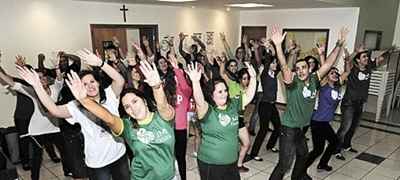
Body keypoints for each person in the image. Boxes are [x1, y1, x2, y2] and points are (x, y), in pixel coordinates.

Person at [16, 49, 130, 180]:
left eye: (92, 82)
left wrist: (100, 63)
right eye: (84, 84)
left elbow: (120, 80)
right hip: (98, 162)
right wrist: (37, 85)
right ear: (78, 88)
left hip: (119, 155)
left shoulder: (109, 95)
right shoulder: (76, 106)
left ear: (98, 83)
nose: (90, 86)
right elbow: (54, 110)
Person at [66, 60, 176, 180]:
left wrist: (157, 87)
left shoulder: (162, 117)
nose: (133, 108)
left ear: (144, 101)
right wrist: (84, 100)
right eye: (127, 107)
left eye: (135, 101)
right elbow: (109, 118)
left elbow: (163, 106)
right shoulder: (127, 126)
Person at [268, 26, 347, 180]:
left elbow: (328, 63)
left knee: (303, 155)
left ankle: (297, 177)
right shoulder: (292, 83)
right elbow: (284, 66)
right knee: (284, 164)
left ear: (309, 69)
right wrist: (278, 46)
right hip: (289, 128)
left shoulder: (314, 80)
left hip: (300, 128)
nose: (300, 71)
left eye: (303, 67)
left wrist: (339, 44)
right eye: (297, 69)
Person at [187, 61, 256, 180]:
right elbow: (199, 100)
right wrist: (195, 82)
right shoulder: (207, 110)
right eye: (219, 91)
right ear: (211, 94)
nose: (224, 94)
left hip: (231, 162)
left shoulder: (233, 105)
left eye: (225, 90)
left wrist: (253, 78)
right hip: (211, 164)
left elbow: (248, 96)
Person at [0, 56, 66, 180]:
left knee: (65, 152)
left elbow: (59, 80)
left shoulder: (54, 89)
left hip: (54, 128)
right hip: (37, 131)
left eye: (44, 77)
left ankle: (68, 171)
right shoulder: (32, 91)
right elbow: (12, 83)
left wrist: (57, 67)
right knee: (37, 157)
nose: (43, 79)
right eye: (39, 78)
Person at [335, 47, 388, 160]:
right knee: (345, 127)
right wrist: (356, 52)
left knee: (353, 127)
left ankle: (346, 145)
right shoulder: (352, 69)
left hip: (360, 103)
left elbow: (382, 58)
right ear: (358, 60)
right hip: (349, 103)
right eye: (364, 57)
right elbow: (348, 61)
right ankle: (336, 149)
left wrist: (386, 51)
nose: (366, 58)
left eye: (367, 56)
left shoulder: (369, 67)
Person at [304, 66, 350, 175]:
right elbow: (323, 70)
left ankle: (322, 164)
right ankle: (301, 169)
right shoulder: (324, 87)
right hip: (318, 122)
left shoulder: (337, 87)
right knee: (318, 149)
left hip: (324, 122)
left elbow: (347, 71)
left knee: (333, 142)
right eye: (331, 73)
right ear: (326, 77)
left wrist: (348, 59)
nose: (335, 74)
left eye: (336, 73)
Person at [249, 57, 281, 161]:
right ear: (268, 65)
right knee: (263, 129)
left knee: (278, 126)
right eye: (273, 63)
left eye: (276, 63)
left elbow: (282, 64)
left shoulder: (274, 75)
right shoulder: (264, 75)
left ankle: (270, 145)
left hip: (272, 105)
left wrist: (289, 52)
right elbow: (265, 63)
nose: (275, 65)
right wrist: (268, 50)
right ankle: (254, 153)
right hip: (264, 105)